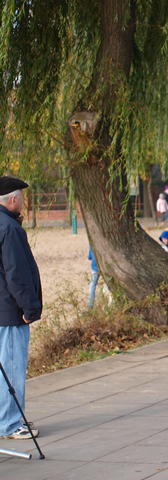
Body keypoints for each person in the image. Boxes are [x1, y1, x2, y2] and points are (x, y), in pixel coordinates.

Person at [0, 177, 42, 440]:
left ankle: (6, 418)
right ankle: (10, 423)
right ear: (13, 199)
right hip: (9, 311)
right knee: (12, 367)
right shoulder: (9, 228)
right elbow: (16, 273)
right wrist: (29, 307)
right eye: (23, 198)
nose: (24, 202)